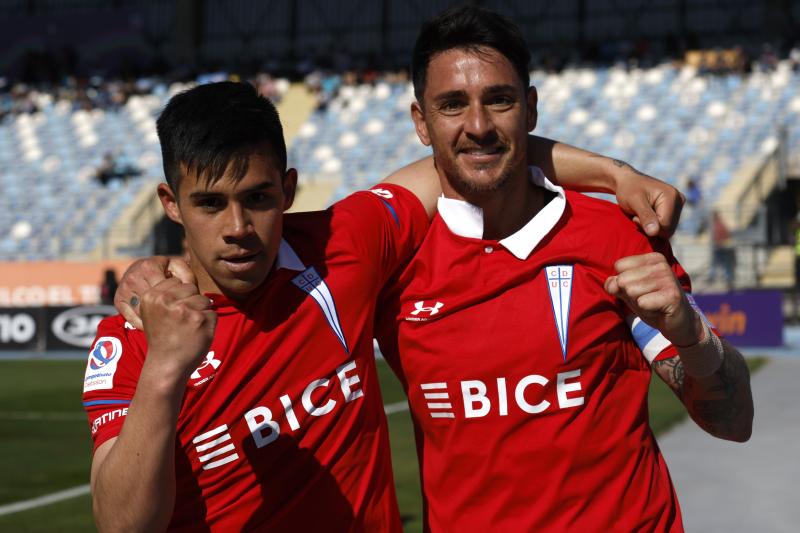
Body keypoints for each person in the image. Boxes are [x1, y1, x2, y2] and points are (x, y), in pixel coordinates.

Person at [98, 83, 685, 532]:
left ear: (289, 190)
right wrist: (165, 368)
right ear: (170, 204)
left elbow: (464, 158)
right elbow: (123, 526)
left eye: (257, 198)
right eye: (209, 203)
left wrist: (615, 175)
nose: (237, 228)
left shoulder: (342, 246)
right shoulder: (129, 340)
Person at [373, 6, 752, 531]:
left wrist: (692, 335)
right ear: (422, 122)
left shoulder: (615, 237)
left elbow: (733, 420)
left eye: (499, 100)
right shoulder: (390, 264)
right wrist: (613, 171)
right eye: (452, 104)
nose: (478, 125)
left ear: (530, 109)